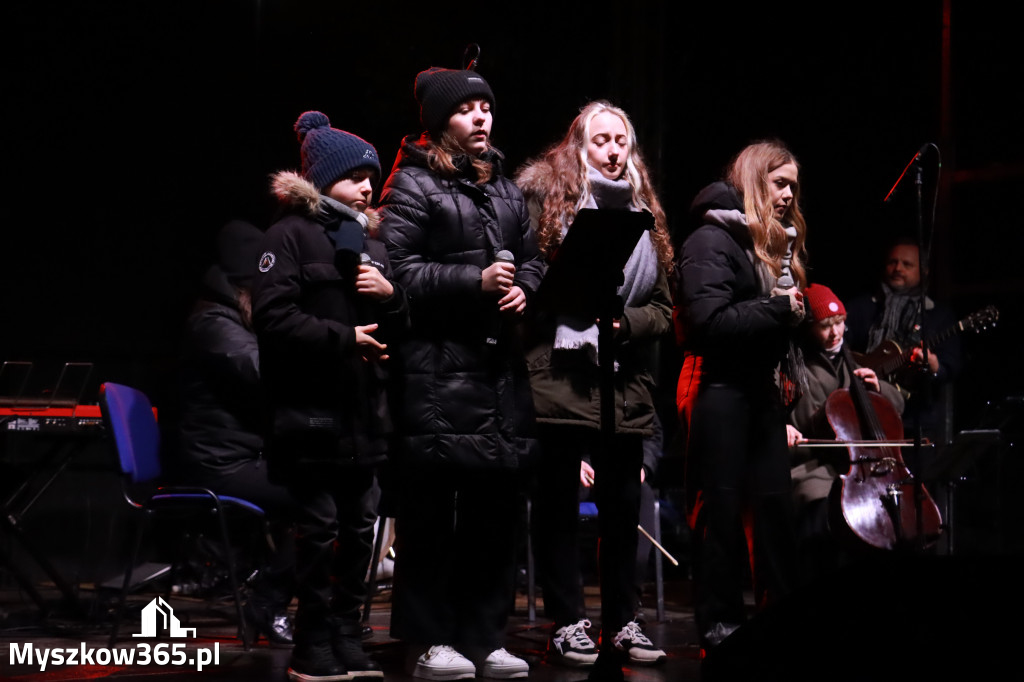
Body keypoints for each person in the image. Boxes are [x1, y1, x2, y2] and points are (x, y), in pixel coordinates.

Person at [378, 66, 544, 681]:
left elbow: (533, 258)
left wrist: (525, 288)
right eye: (467, 109)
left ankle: (484, 637)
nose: (481, 118)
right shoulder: (412, 184)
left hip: (497, 375)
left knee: (494, 516)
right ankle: (427, 640)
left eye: (486, 107)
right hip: (436, 374)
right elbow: (396, 274)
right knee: (431, 519)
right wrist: (471, 283)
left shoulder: (503, 187)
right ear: (439, 122)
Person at [515, 101, 672, 677]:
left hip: (622, 381)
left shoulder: (644, 215)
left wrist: (624, 324)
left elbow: (661, 307)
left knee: (621, 508)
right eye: (601, 139)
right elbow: (531, 286)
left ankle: (621, 621)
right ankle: (566, 621)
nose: (613, 149)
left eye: (622, 140)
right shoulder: (545, 204)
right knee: (557, 506)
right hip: (559, 375)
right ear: (580, 147)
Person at [252, 111, 409, 682]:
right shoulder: (287, 235)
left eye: (373, 174)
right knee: (316, 532)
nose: (370, 184)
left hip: (364, 417)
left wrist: (390, 297)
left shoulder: (372, 240)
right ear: (322, 179)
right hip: (310, 417)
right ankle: (312, 641)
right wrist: (343, 339)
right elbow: (272, 317)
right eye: (357, 175)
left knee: (359, 530)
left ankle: (345, 635)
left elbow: (402, 327)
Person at [674, 140, 806, 650]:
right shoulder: (712, 238)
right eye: (780, 183)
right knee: (721, 513)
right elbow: (708, 322)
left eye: (794, 185)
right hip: (716, 385)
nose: (789, 194)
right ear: (754, 182)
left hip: (756, 389)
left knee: (774, 509)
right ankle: (720, 626)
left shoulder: (773, 242)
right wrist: (780, 311)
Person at [178, 219, 299, 646]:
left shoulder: (231, 318)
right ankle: (267, 601)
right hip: (218, 467)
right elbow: (262, 372)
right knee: (323, 496)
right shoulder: (213, 323)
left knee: (332, 484)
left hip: (244, 458)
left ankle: (313, 609)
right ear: (243, 287)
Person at [785, 283, 904, 579]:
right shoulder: (797, 366)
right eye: (825, 326)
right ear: (810, 328)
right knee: (820, 505)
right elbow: (786, 416)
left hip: (858, 465)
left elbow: (897, 408)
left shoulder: (856, 361)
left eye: (839, 323)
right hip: (814, 465)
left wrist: (880, 389)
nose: (836, 333)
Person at [844, 238, 962, 445]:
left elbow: (951, 365)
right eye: (892, 262)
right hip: (861, 414)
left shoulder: (938, 315)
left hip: (915, 419)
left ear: (924, 271)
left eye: (907, 264)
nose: (897, 268)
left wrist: (935, 367)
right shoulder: (861, 307)